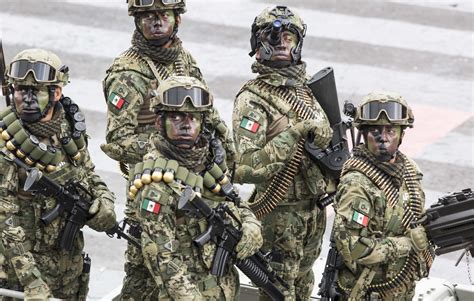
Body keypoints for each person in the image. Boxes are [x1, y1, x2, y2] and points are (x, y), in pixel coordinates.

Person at [101, 1, 235, 297]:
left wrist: (222, 143)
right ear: (137, 20)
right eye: (148, 16)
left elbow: (205, 112)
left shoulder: (183, 59)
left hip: (196, 178)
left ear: (177, 20)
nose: (157, 22)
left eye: (164, 15)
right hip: (154, 179)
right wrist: (167, 147)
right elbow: (117, 140)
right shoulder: (128, 73)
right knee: (144, 274)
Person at [127, 75, 262, 300]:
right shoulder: (155, 186)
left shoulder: (207, 161)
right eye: (176, 116)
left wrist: (250, 225)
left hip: (221, 289)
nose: (186, 124)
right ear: (160, 122)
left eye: (193, 117)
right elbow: (165, 260)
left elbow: (234, 202)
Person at [232, 5, 333, 301]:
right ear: (257, 45)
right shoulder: (253, 99)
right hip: (280, 214)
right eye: (272, 38)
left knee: (304, 284)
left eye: (288, 38)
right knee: (279, 292)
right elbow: (247, 166)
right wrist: (295, 133)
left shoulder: (308, 90)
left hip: (313, 208)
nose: (280, 44)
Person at [0, 49, 116, 300]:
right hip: (20, 279)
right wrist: (32, 280)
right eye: (21, 90)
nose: (27, 99)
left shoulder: (67, 131)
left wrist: (104, 200)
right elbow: (4, 221)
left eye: (37, 91)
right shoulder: (6, 146)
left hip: (67, 268)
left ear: (56, 93)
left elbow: (87, 172)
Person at [333, 91, 433, 300]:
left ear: (401, 134)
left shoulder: (409, 170)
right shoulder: (357, 185)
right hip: (368, 291)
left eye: (391, 130)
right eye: (376, 131)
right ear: (364, 134)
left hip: (400, 287)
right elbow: (352, 248)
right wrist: (405, 245)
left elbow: (417, 220)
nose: (384, 138)